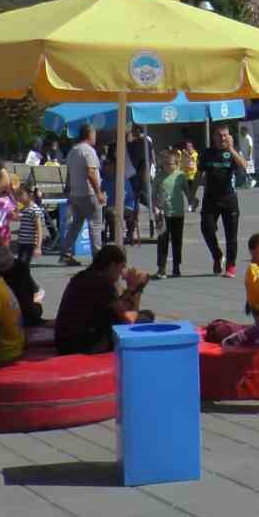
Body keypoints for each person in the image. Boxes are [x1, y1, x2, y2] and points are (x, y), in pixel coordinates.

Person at [54, 245, 150, 355]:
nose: (120, 275)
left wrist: (130, 291)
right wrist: (137, 288)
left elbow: (117, 305)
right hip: (82, 345)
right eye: (121, 268)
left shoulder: (84, 276)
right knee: (145, 319)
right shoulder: (102, 284)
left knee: (139, 315)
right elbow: (130, 319)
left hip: (65, 341)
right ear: (112, 266)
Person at [198, 125, 247, 278]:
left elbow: (243, 166)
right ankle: (217, 254)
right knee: (207, 228)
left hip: (229, 198)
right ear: (214, 137)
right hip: (210, 199)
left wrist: (231, 149)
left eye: (225, 135)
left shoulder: (232, 153)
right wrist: (192, 194)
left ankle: (231, 265)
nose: (222, 138)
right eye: (219, 135)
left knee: (231, 235)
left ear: (230, 137)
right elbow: (199, 174)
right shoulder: (207, 153)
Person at [59, 124, 106, 267]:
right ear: (89, 135)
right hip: (88, 193)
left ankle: (65, 253)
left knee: (76, 224)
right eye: (94, 134)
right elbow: (91, 172)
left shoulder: (73, 150)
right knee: (95, 225)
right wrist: (99, 192)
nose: (96, 137)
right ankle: (98, 257)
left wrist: (68, 188)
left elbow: (69, 172)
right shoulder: (88, 151)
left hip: (75, 193)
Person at [153, 148, 186, 279]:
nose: (167, 166)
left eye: (170, 163)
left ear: (176, 164)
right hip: (162, 213)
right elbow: (153, 193)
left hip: (178, 213)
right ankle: (161, 267)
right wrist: (155, 206)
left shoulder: (180, 175)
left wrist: (191, 199)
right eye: (165, 163)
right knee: (162, 241)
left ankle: (176, 267)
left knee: (177, 241)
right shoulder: (159, 176)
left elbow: (186, 190)